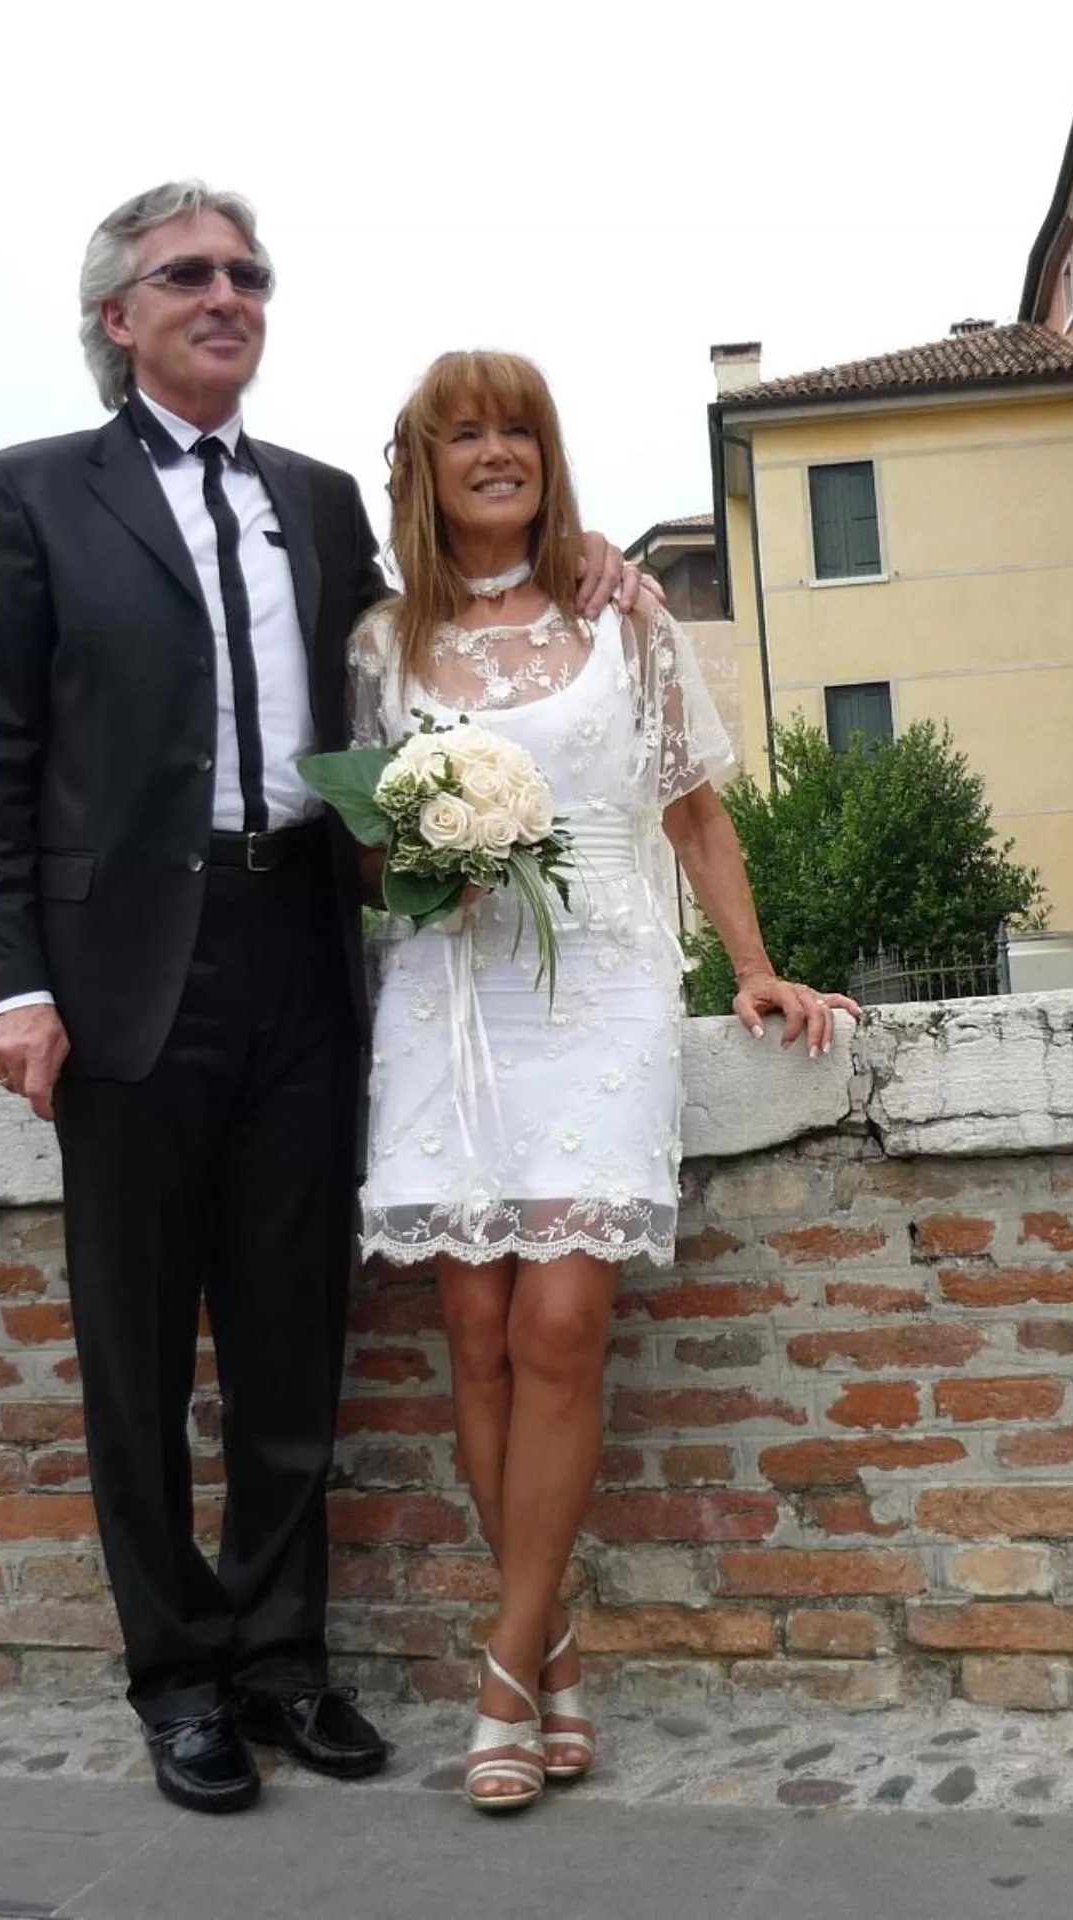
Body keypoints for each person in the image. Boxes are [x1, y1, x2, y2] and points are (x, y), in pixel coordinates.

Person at [0, 185, 630, 1818]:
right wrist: (13, 984)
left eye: (247, 273)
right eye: (188, 274)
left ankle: (281, 1660)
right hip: (121, 974)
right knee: (136, 1355)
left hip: (306, 952)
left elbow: (442, 632)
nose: (226, 295)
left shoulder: (318, 504)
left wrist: (589, 558)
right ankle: (177, 1678)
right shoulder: (32, 492)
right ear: (119, 315)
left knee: (289, 1341)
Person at [349, 351, 856, 1814]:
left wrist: (753, 966)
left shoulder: (622, 616)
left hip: (604, 993)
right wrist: (424, 859)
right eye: (466, 434)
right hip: (454, 1000)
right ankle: (550, 1645)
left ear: (546, 452)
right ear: (427, 468)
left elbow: (694, 814)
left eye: (518, 428)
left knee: (562, 1321)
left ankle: (504, 1668)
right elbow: (368, 848)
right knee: (477, 1332)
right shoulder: (384, 645)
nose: (496, 452)